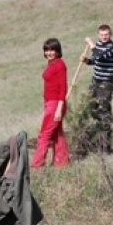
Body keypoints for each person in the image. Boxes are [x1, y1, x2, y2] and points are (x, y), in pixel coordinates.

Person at [80, 24, 113, 154]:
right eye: (102, 35)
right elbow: (95, 60)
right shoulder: (98, 45)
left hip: (106, 83)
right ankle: (91, 139)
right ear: (99, 35)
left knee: (104, 112)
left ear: (110, 34)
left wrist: (91, 44)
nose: (104, 37)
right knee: (89, 108)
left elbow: (102, 56)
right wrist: (86, 61)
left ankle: (105, 145)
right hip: (95, 81)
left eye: (106, 34)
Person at [32, 38, 70, 167]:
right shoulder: (51, 63)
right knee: (57, 133)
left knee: (44, 134)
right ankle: (62, 162)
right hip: (50, 103)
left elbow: (63, 88)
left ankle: (36, 165)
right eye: (47, 50)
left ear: (58, 51)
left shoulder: (60, 65)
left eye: (52, 50)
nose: (49, 52)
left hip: (56, 104)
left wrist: (59, 108)